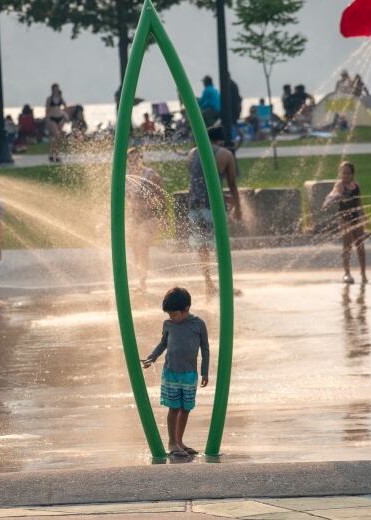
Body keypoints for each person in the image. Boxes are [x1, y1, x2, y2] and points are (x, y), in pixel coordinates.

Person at [141, 287, 209, 458]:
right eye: (169, 314)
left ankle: (180, 441)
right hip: (171, 373)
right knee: (174, 408)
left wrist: (205, 372)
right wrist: (152, 358)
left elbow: (205, 349)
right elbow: (163, 343)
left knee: (185, 408)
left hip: (189, 374)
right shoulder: (168, 324)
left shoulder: (198, 324)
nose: (171, 317)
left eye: (174, 314)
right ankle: (172, 443)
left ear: (186, 309)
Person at [187, 126, 242, 295]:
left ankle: (208, 284)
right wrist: (237, 206)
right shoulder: (225, 154)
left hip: (195, 206)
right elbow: (232, 183)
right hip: (214, 208)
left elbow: (198, 182)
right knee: (221, 246)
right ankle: (226, 285)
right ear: (222, 140)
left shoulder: (192, 153)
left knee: (202, 246)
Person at [127, 147, 166, 292]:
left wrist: (164, 216)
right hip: (134, 218)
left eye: (136, 159)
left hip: (150, 217)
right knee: (135, 251)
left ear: (141, 159)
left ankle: (143, 282)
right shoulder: (126, 177)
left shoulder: (150, 175)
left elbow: (162, 196)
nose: (133, 162)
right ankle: (141, 281)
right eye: (130, 159)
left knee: (142, 248)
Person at [323, 161, 368, 284]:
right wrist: (330, 199)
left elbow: (359, 203)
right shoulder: (340, 185)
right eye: (343, 173)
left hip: (356, 217)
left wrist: (364, 216)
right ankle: (347, 273)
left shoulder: (356, 186)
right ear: (340, 173)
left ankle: (363, 273)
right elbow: (334, 193)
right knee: (347, 246)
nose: (345, 176)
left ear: (352, 174)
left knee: (360, 246)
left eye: (348, 173)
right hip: (345, 218)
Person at [45, 83, 68, 163]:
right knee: (56, 136)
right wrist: (47, 119)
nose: (56, 90)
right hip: (52, 118)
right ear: (52, 89)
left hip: (60, 118)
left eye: (57, 89)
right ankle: (55, 154)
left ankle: (53, 154)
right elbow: (47, 109)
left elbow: (65, 107)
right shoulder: (49, 99)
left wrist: (64, 114)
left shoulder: (60, 98)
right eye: (55, 89)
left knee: (56, 138)